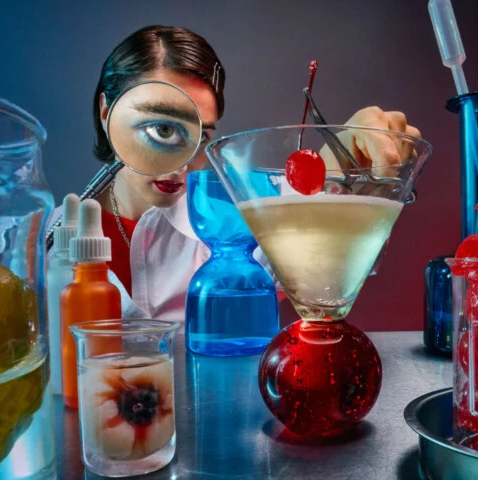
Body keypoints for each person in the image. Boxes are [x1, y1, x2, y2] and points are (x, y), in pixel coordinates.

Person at [54, 25, 421, 322]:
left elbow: (318, 266)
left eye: (201, 137)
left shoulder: (237, 228)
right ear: (108, 113)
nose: (183, 164)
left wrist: (344, 169)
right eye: (162, 130)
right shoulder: (45, 243)